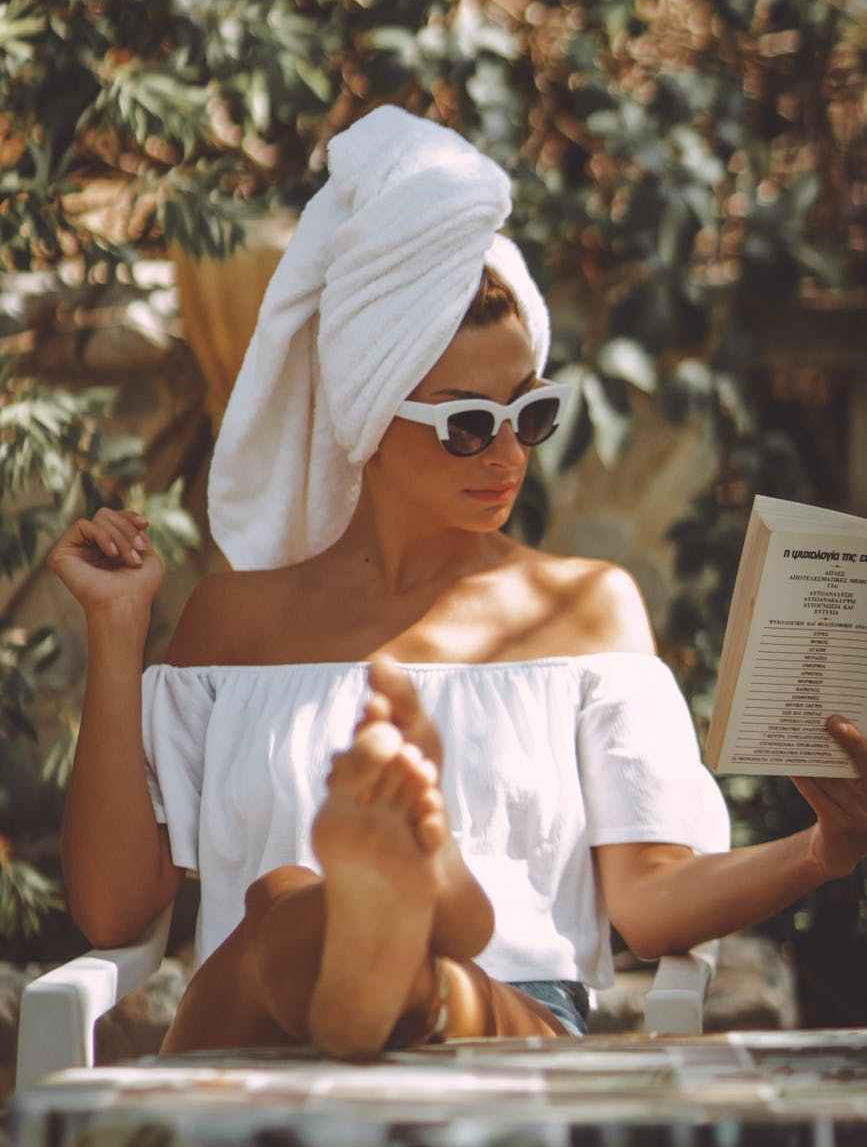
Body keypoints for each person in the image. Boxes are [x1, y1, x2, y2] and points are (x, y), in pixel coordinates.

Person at [48, 107, 867, 1061]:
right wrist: (117, 628)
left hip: (498, 1028)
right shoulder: (237, 620)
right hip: (256, 1030)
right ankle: (395, 914)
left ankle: (408, 942)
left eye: (530, 411)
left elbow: (650, 902)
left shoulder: (586, 610)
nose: (507, 454)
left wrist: (822, 851)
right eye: (467, 424)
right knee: (286, 900)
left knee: (332, 921)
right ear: (366, 415)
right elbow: (115, 909)